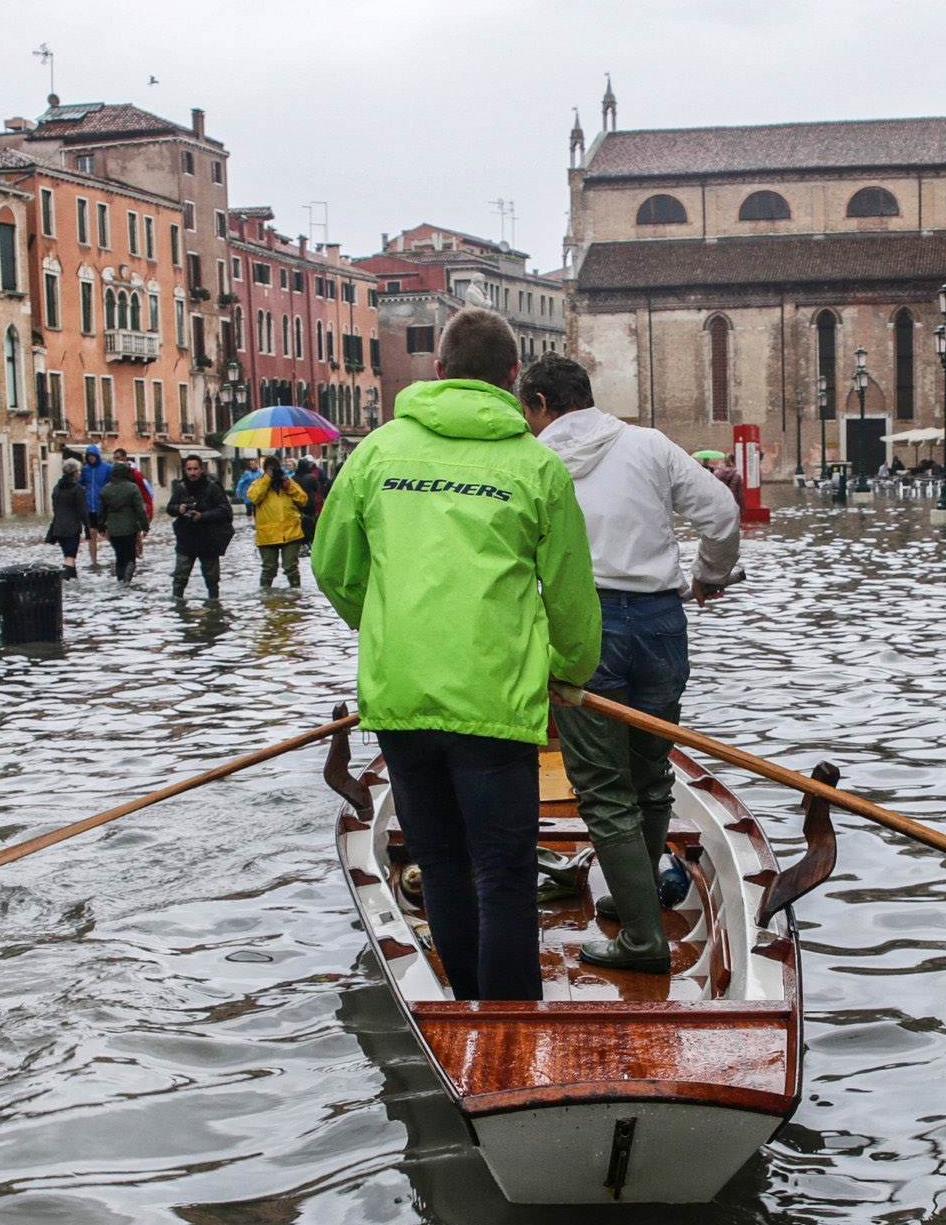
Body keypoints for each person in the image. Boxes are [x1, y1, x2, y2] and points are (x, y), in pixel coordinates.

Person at [313, 307, 597, 1003]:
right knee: (503, 874)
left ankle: (469, 1012)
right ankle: (511, 1023)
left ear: (438, 370)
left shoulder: (376, 453)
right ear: (512, 376)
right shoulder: (537, 465)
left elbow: (333, 567)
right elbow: (570, 595)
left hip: (403, 694)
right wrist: (568, 673)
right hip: (495, 697)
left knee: (441, 865)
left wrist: (388, 630)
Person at [520, 353, 742, 970]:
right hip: (660, 624)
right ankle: (631, 898)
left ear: (539, 404)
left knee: (603, 789)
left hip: (585, 627)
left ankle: (643, 940)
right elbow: (723, 515)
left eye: (527, 411)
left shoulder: (531, 460)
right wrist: (709, 575)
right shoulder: (650, 445)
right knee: (650, 777)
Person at [166, 460, 233, 602]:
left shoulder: (213, 487)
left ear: (201, 469)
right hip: (186, 538)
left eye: (195, 469)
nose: (192, 473)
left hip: (208, 538)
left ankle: (214, 605)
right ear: (185, 470)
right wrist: (178, 509)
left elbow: (225, 511)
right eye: (189, 469)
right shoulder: (180, 487)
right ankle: (177, 605)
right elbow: (170, 508)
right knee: (180, 577)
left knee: (212, 579)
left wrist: (203, 516)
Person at [244, 457, 310, 590]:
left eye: (276, 468)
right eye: (271, 469)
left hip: (291, 533)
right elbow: (254, 497)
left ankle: (296, 594)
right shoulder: (258, 484)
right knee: (269, 569)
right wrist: (267, 478)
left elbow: (303, 500)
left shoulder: (288, 482)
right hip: (268, 536)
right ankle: (266, 595)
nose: (274, 471)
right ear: (265, 470)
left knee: (291, 567)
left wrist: (289, 487)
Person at [97, 449, 152, 581]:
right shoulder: (132, 488)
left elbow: (101, 512)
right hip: (129, 528)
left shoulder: (106, 490)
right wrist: (145, 526)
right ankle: (127, 579)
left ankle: (121, 579)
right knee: (130, 556)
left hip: (113, 529)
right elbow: (140, 510)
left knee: (119, 556)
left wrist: (101, 527)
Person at [78, 446, 117, 565]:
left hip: (103, 506)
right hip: (90, 506)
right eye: (89, 456)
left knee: (107, 533)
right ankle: (93, 561)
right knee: (91, 533)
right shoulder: (85, 469)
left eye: (92, 456)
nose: (91, 458)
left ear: (97, 456)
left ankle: (119, 553)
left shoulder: (107, 468)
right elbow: (80, 484)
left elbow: (114, 483)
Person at [47, 458, 86, 564]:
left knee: (67, 555)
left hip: (58, 528)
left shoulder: (57, 488)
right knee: (70, 556)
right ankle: (68, 573)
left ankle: (71, 573)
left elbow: (55, 507)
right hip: (72, 528)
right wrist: (87, 527)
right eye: (78, 470)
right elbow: (82, 510)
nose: (79, 473)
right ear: (74, 472)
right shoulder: (77, 489)